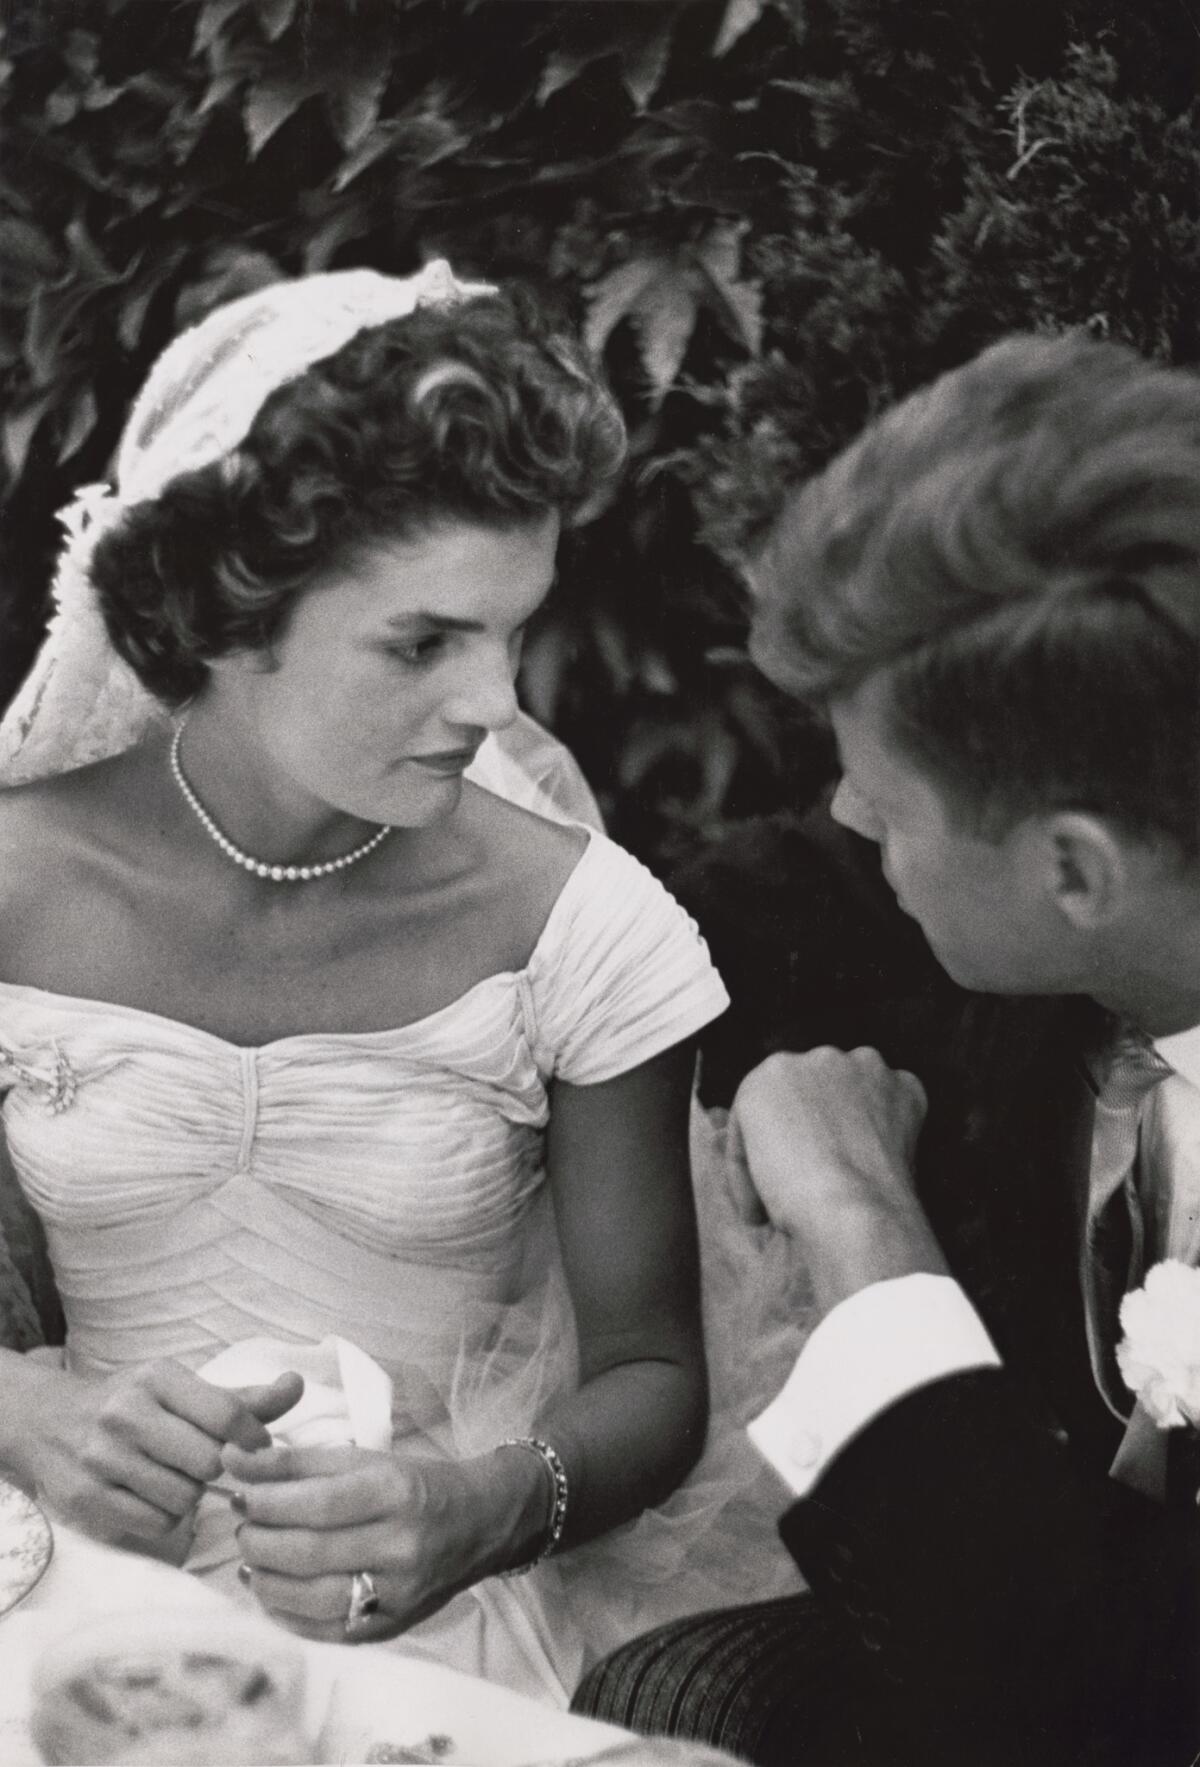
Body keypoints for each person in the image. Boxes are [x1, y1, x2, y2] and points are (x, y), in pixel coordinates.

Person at [0, 260, 803, 1706]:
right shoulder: (16, 879)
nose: (496, 703)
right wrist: (15, 1406)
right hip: (52, 1579)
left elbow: (653, 1374)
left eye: (516, 628)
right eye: (424, 642)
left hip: (428, 1618)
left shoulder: (584, 927)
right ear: (228, 616)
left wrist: (478, 1510)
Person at [573, 331, 1200, 1765]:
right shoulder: (1111, 901)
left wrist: (865, 1227)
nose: (852, 821)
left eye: (883, 793)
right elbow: (772, 894)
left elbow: (1079, 1707)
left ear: (1078, 872)